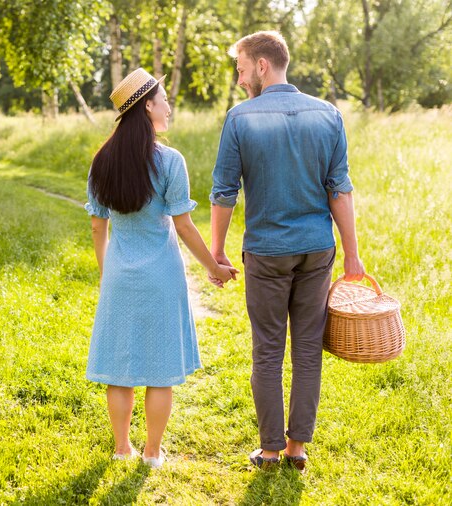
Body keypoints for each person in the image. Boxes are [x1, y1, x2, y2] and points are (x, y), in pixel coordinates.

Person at [209, 31, 365, 471]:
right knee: (308, 350)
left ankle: (272, 450)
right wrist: (352, 255)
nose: (240, 80)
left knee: (268, 350)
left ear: (262, 66)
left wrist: (217, 252)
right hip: (317, 250)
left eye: (241, 70)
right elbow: (341, 190)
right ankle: (297, 449)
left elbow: (224, 192)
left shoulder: (240, 119)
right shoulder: (328, 115)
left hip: (267, 252)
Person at [85, 68, 238, 469]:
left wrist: (107, 272)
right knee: (159, 370)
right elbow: (184, 225)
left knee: (119, 368)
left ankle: (122, 447)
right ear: (148, 105)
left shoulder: (101, 161)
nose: (169, 106)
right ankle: (152, 452)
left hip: (119, 275)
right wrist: (214, 268)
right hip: (162, 277)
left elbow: (98, 224)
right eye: (164, 98)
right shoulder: (170, 161)